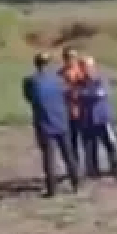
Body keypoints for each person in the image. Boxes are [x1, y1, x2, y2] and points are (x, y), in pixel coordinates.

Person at [23, 52, 79, 197]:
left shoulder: (30, 81)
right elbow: (67, 94)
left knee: (49, 157)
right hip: (61, 119)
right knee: (68, 154)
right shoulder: (59, 80)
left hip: (44, 122)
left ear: (36, 64)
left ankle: (52, 190)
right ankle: (76, 184)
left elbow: (29, 98)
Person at [78, 56, 117, 181]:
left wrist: (83, 94)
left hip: (103, 119)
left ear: (93, 67)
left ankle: (116, 171)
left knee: (111, 145)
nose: (86, 69)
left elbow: (100, 93)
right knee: (90, 148)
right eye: (84, 67)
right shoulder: (81, 82)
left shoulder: (101, 80)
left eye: (88, 66)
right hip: (88, 119)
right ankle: (93, 173)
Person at [58, 45, 87, 168]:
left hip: (84, 110)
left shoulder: (82, 71)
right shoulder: (60, 73)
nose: (71, 59)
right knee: (72, 141)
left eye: (73, 56)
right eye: (68, 57)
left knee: (88, 141)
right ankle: (75, 167)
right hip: (69, 112)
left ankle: (91, 166)